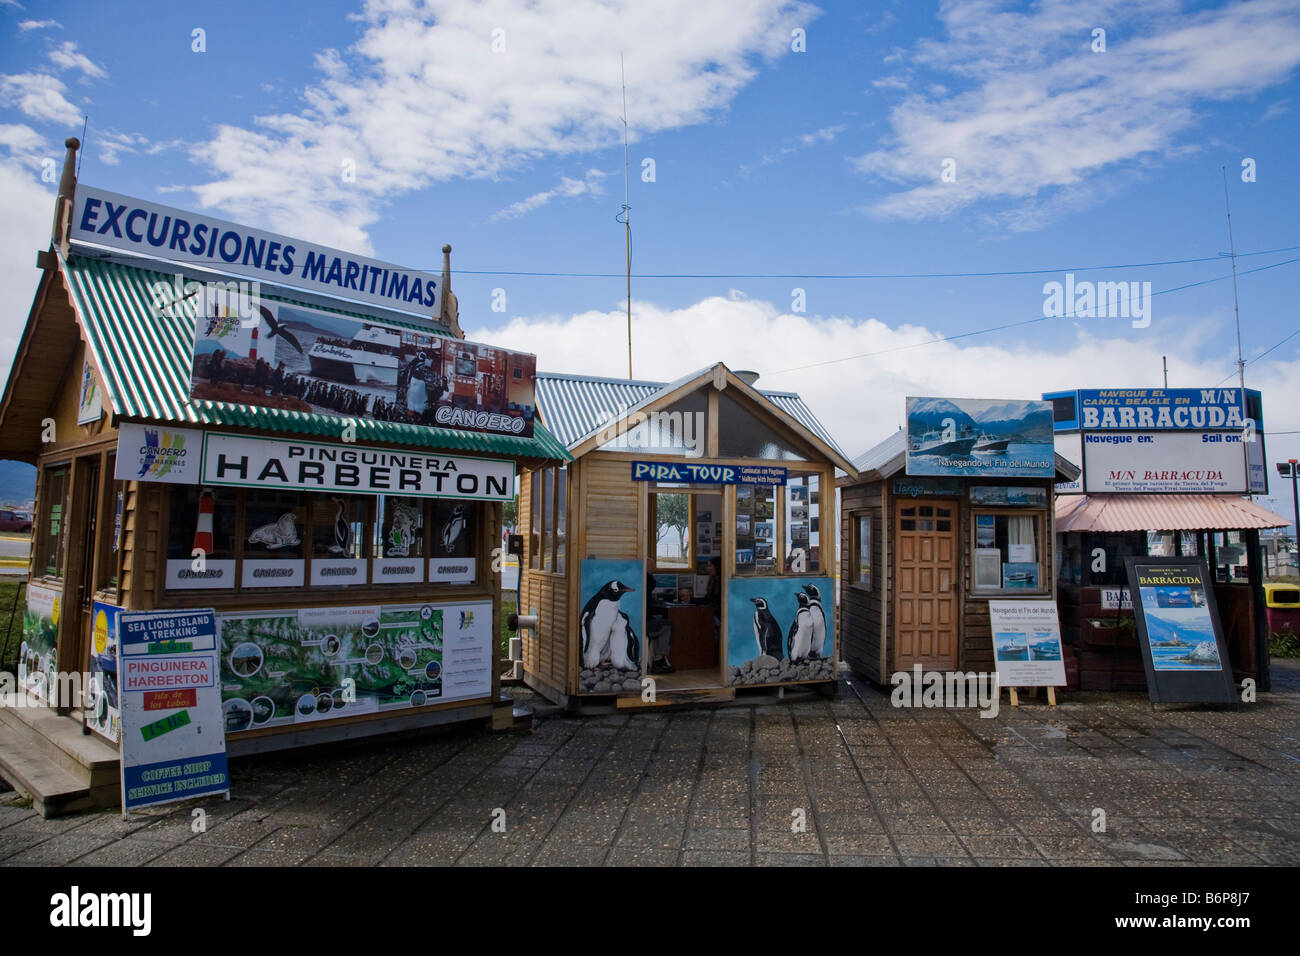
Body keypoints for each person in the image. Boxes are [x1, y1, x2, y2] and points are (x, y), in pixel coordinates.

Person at [647, 570, 674, 674]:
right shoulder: (647, 590)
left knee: (660, 624)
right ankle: (659, 660)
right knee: (668, 625)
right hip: (644, 626)